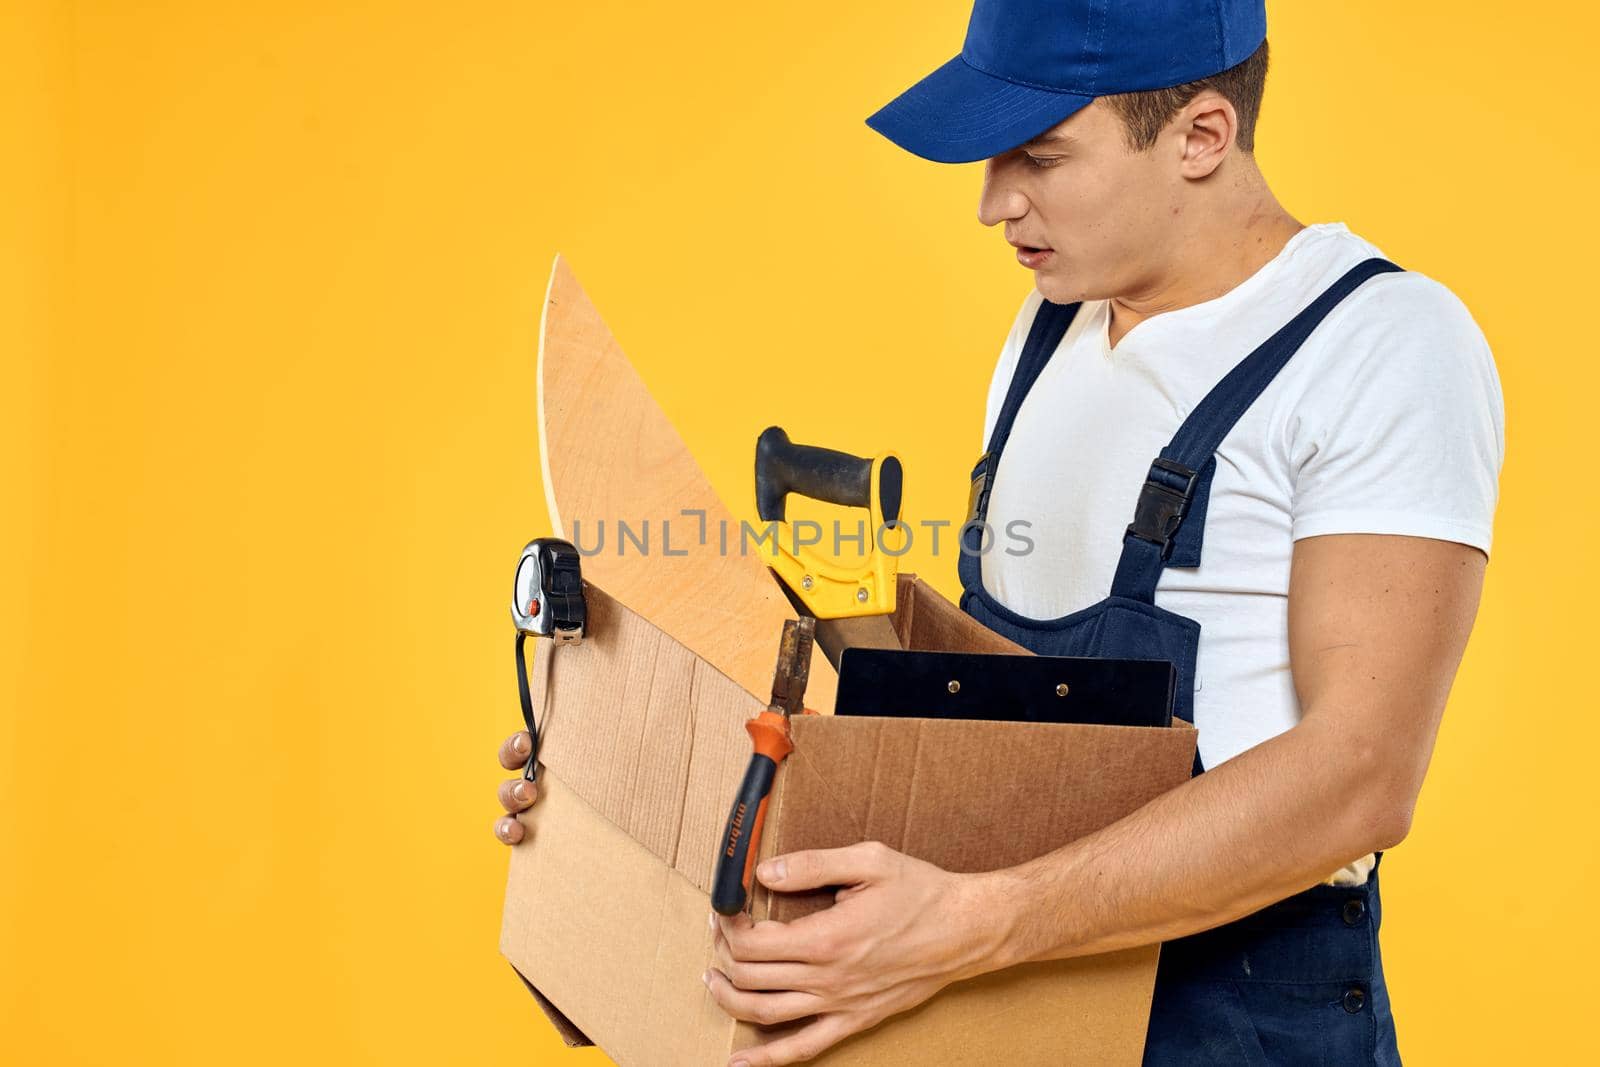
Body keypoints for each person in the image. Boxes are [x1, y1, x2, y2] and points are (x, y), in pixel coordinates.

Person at [493, 1, 1504, 1063]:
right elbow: (990, 726)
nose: (991, 205)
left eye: (1038, 156)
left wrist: (974, 923)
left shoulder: (1382, 346)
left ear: (1201, 135)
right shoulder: (1050, 324)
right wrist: (647, 796)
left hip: (1231, 1007)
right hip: (990, 989)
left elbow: (1359, 776)